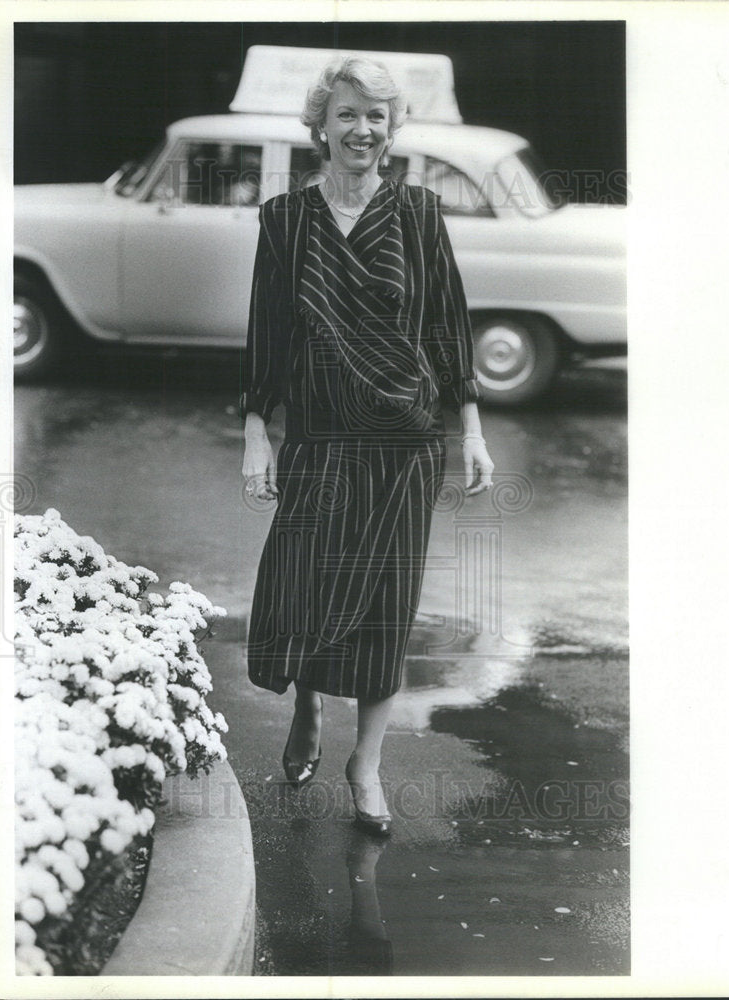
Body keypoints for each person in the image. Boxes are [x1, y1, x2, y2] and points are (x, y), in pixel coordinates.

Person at [239, 56, 494, 836]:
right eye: (347, 113)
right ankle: (308, 709)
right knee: (305, 587)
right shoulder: (285, 221)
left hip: (404, 445)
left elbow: (447, 323)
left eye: (376, 116)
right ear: (321, 123)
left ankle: (367, 764)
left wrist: (472, 426)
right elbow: (269, 334)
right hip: (320, 438)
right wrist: (256, 429)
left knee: (385, 604)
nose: (362, 129)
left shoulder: (418, 213)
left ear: (392, 129)